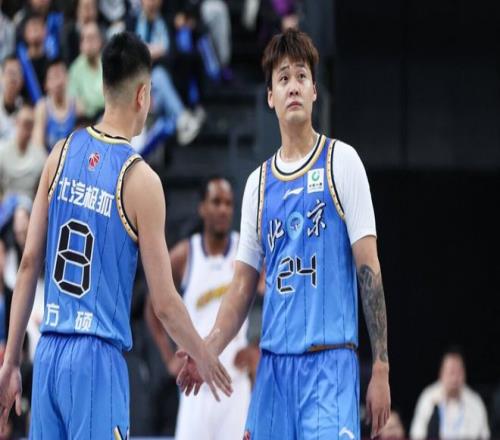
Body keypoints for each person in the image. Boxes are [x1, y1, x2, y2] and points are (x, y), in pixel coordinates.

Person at [0, 31, 231, 439]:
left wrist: (11, 363)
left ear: (104, 85)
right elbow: (164, 303)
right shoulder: (140, 179)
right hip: (96, 360)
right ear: (143, 95)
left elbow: (29, 264)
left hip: (49, 353)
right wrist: (204, 354)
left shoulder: (60, 153)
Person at [177, 28, 391, 439]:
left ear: (314, 91)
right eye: (284, 78)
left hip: (329, 364)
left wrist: (380, 365)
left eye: (301, 76)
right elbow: (242, 287)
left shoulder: (342, 161)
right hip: (274, 370)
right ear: (270, 97)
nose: (293, 86)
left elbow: (370, 269)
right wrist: (208, 348)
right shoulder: (257, 185)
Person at [146, 176, 253, 440]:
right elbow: (153, 305)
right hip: (195, 387)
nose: (223, 209)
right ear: (202, 207)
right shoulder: (185, 254)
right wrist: (167, 356)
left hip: (235, 385)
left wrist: (257, 345)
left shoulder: (245, 251)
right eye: (216, 202)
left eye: (228, 203)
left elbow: (275, 296)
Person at [410, 348, 490, 440]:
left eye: (459, 372)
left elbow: (485, 435)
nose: (455, 378)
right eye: (451, 372)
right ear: (441, 373)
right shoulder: (428, 397)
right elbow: (416, 434)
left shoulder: (475, 401)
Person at [32, 58, 80, 151]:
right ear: (46, 84)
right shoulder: (42, 107)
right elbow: (37, 145)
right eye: (54, 77)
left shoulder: (77, 106)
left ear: (67, 78)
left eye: (61, 75)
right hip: (48, 157)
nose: (58, 82)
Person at [0, 105, 46, 201]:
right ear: (16, 123)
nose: (27, 129)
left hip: (28, 202)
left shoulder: (40, 156)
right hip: (5, 201)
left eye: (30, 125)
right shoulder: (2, 151)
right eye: (25, 123)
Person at [68, 21, 105, 120]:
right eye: (85, 39)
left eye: (92, 38)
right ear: (81, 44)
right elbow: (74, 103)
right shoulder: (75, 69)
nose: (89, 43)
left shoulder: (109, 63)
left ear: (100, 41)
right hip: (87, 120)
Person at [0, 56, 25, 142]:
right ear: (1, 77)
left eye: (16, 73)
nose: (12, 78)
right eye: (10, 72)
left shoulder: (27, 109)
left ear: (22, 80)